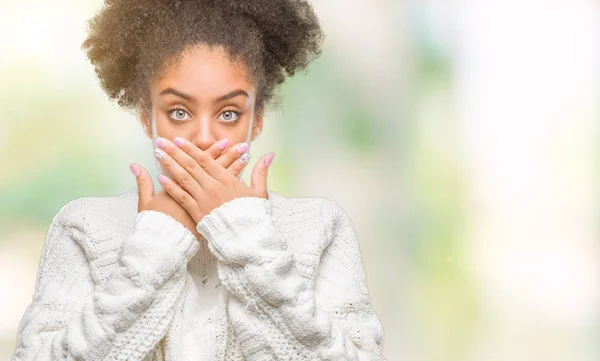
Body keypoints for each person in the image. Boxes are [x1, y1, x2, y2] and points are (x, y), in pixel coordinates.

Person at [11, 0, 386, 360]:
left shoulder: (320, 227)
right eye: (178, 111)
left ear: (256, 120)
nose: (204, 137)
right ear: (147, 118)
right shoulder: (83, 227)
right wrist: (155, 245)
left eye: (228, 113)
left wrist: (245, 235)